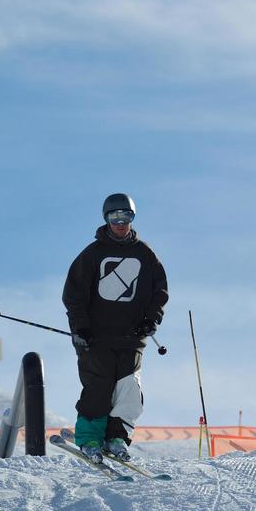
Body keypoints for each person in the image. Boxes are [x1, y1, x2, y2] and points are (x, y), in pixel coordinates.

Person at [62, 193, 168, 464]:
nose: (120, 223)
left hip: (131, 337)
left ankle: (117, 436)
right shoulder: (93, 255)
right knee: (99, 386)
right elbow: (74, 295)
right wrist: (80, 327)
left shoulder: (144, 255)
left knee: (129, 388)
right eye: (115, 218)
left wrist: (150, 319)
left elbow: (159, 291)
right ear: (106, 219)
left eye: (126, 218)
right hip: (95, 336)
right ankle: (90, 438)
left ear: (133, 219)